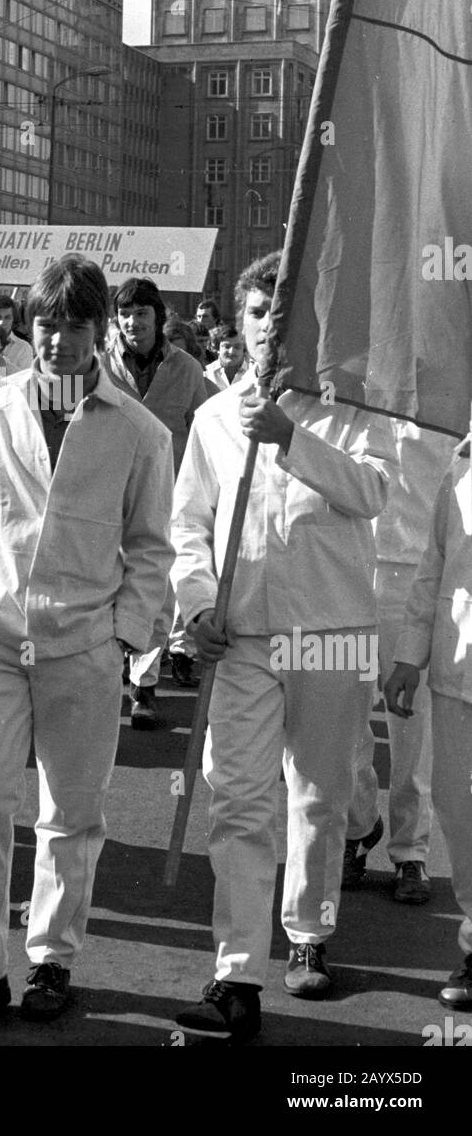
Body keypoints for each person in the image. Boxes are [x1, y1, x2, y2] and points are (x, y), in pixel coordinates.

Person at [0, 254, 174, 1038]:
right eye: (45, 321)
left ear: (99, 330)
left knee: (70, 813)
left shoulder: (138, 431)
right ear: (25, 323)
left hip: (81, 645)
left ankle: (51, 959)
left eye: (75, 324)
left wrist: (122, 638)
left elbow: (150, 548)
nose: (58, 338)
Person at [171, 251, 396, 1043]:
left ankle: (309, 932)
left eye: (281, 313)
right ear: (237, 325)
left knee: (317, 794)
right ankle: (235, 974)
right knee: (236, 800)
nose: (268, 327)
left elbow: (371, 492)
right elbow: (187, 527)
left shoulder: (354, 408)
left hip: (330, 634)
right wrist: (196, 601)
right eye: (256, 313)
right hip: (243, 639)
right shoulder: (209, 418)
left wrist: (291, 436)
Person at [344, 421, 454, 903]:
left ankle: (411, 850)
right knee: (344, 718)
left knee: (410, 723)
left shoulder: (443, 399)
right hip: (346, 564)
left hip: (413, 572)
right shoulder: (344, 387)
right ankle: (357, 827)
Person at [385, 438, 472, 1008]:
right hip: (457, 663)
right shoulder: (463, 459)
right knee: (456, 803)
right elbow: (434, 561)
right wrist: (410, 655)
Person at [102, 277, 208, 725]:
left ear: (158, 319)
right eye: (125, 314)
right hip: (110, 491)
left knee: (156, 592)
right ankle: (109, 682)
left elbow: (203, 428)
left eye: (141, 314)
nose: (132, 323)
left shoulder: (186, 369)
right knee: (109, 586)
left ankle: (143, 688)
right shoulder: (101, 364)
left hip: (168, 493)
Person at [0, 294, 33, 369]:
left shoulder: (23, 348)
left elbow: (23, 379)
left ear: (13, 319)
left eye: (7, 317)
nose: (1, 322)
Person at [204, 325, 248, 391]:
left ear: (244, 349)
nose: (231, 352)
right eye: (226, 346)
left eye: (237, 347)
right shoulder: (207, 373)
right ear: (218, 348)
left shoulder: (253, 372)